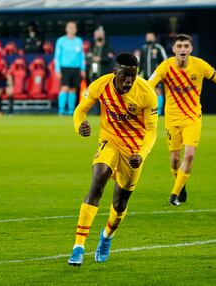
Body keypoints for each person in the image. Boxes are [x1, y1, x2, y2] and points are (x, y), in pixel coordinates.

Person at [67, 53, 158, 266]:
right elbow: (80, 111)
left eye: (133, 76)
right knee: (97, 182)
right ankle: (78, 247)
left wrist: (141, 154)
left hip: (134, 151)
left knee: (120, 202)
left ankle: (107, 236)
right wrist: (79, 126)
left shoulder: (146, 93)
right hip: (109, 141)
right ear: (115, 71)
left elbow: (153, 131)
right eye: (125, 75)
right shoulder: (100, 84)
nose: (129, 81)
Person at [148, 34, 216, 206]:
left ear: (191, 49)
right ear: (174, 49)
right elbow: (148, 85)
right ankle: (180, 184)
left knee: (190, 155)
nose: (183, 49)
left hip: (192, 117)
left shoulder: (199, 65)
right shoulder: (165, 66)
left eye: (186, 46)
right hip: (171, 119)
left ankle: (174, 194)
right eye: (180, 46)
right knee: (175, 159)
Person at [54, 21, 86, 115]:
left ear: (76, 29)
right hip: (64, 68)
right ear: (66, 29)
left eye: (73, 27)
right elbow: (57, 56)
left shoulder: (79, 41)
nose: (72, 29)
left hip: (76, 68)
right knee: (64, 88)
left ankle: (71, 110)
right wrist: (57, 69)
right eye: (70, 27)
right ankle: (61, 110)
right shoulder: (61, 41)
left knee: (73, 89)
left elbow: (81, 56)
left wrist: (82, 69)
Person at [139, 32, 168, 115]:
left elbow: (165, 61)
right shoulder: (143, 48)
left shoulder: (158, 48)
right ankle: (147, 111)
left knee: (158, 91)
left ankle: (158, 111)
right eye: (147, 36)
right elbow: (141, 62)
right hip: (146, 75)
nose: (149, 38)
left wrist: (161, 71)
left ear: (154, 38)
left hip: (156, 75)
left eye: (151, 36)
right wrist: (138, 73)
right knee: (146, 93)